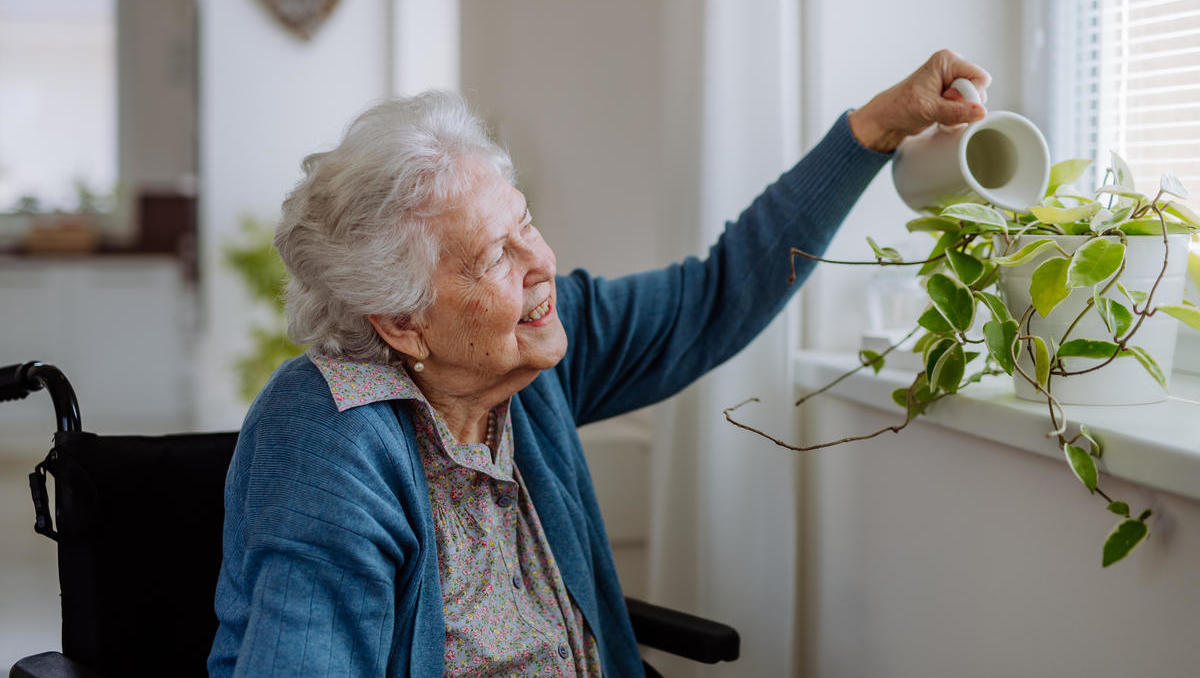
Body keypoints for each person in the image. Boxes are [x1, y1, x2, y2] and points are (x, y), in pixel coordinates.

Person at [207, 49, 990, 677]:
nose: (539, 264)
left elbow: (715, 298)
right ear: (404, 324)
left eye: (527, 225)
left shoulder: (532, 345)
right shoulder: (329, 440)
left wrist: (877, 129)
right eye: (492, 257)